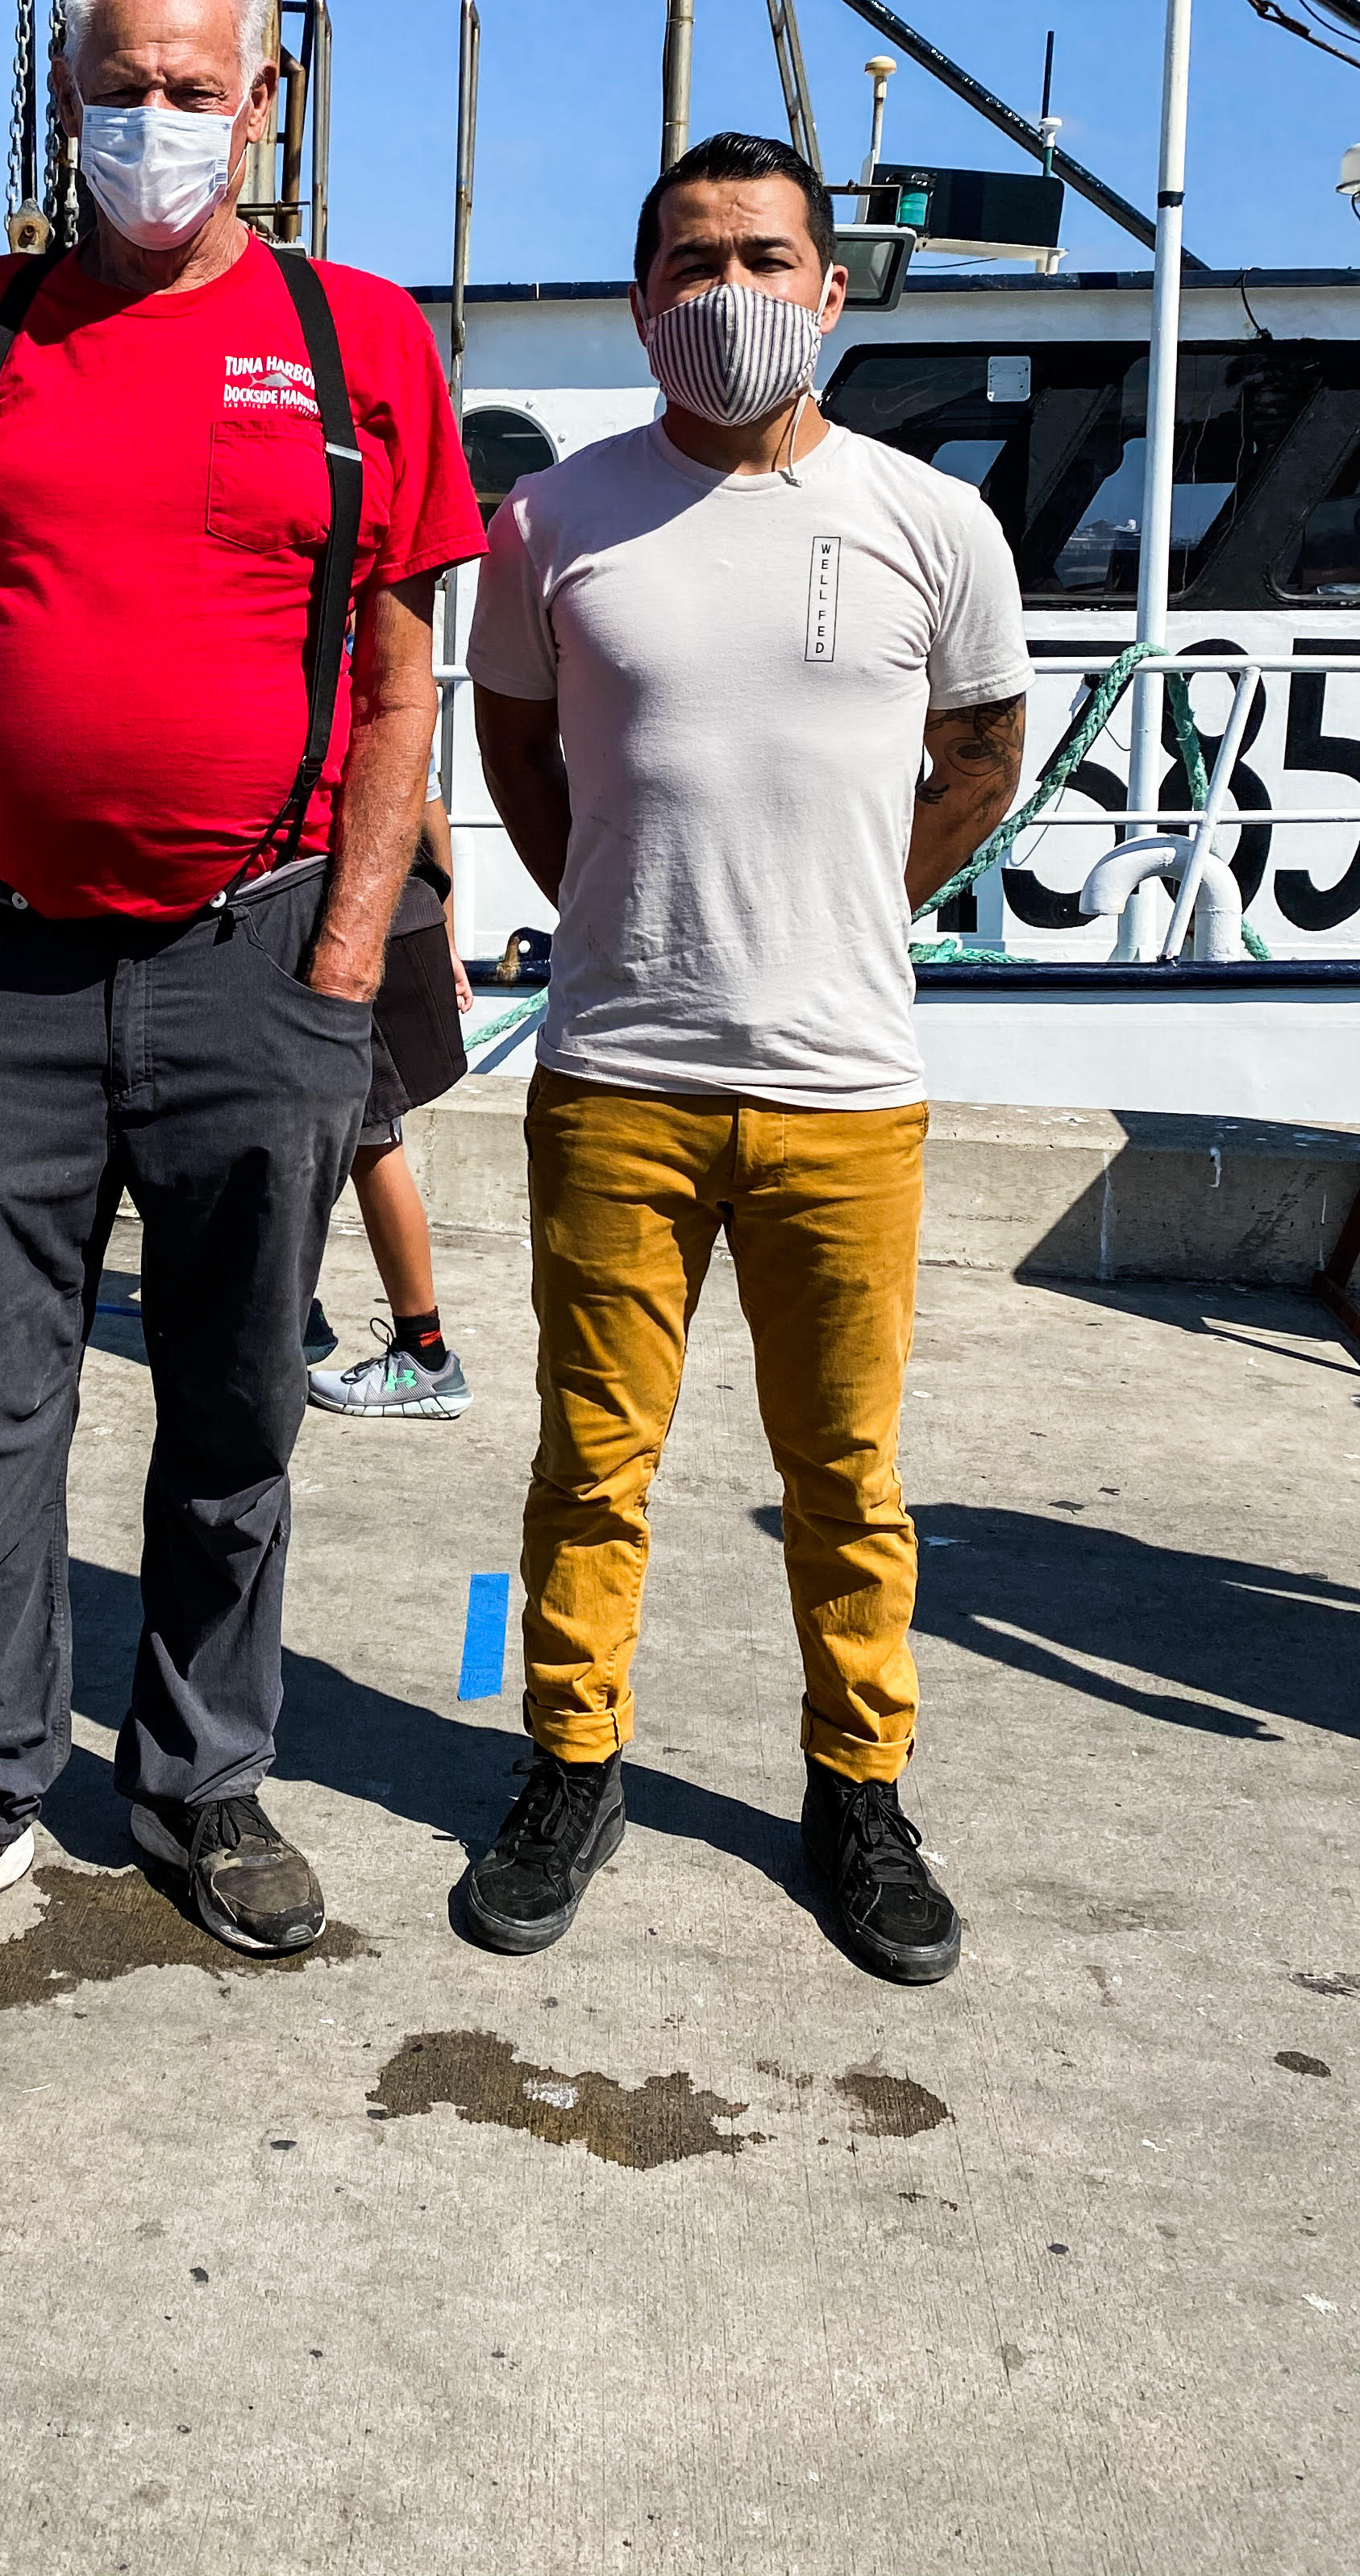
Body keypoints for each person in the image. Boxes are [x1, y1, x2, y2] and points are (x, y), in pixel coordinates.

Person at [0, 0, 484, 1984]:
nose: (153, 124)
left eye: (195, 90)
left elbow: (403, 690)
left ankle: (200, 1778)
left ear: (263, 105)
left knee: (234, 1418)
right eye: (116, 87)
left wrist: (342, 963)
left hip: (257, 960)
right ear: (66, 96)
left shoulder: (362, 337)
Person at [463, 130, 1029, 1988]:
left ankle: (856, 1791)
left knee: (848, 1474)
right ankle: (570, 1762)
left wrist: (858, 905)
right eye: (694, 262)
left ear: (831, 290)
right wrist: (630, 909)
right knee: (589, 1463)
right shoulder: (550, 524)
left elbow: (984, 755)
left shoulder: (930, 521)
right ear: (642, 302)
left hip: (848, 1090)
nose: (731, 294)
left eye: (766, 259)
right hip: (617, 1072)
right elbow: (526, 762)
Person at [306, 773, 476, 1418]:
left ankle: (425, 1356)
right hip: (382, 923)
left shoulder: (352, 682)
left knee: (371, 1142)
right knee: (343, 1137)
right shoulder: (382, 685)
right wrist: (447, 940)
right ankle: (292, 1318)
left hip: (352, 928)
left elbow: (426, 814)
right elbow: (434, 817)